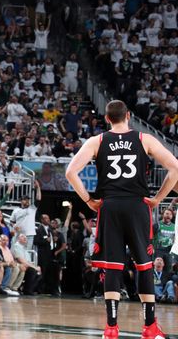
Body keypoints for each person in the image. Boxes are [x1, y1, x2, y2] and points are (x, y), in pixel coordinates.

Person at [66, 100, 178, 339]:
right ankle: (149, 328)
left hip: (110, 206)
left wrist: (88, 200)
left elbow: (70, 172)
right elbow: (175, 167)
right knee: (144, 265)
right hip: (138, 206)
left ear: (107, 119)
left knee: (113, 267)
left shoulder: (96, 141)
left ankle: (111, 328)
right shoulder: (144, 139)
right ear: (128, 115)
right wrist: (158, 198)